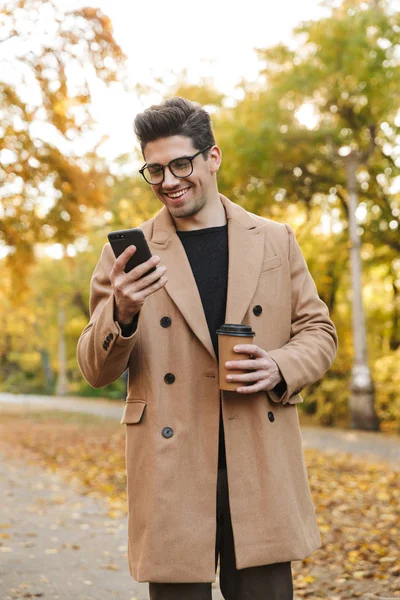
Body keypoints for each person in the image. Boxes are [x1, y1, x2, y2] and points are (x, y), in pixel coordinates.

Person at [77, 97, 338, 600]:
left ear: (211, 158)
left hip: (258, 460)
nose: (168, 181)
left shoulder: (275, 240)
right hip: (172, 466)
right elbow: (93, 368)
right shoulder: (128, 253)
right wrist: (123, 313)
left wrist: (279, 365)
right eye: (154, 170)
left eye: (180, 164)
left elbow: (318, 331)